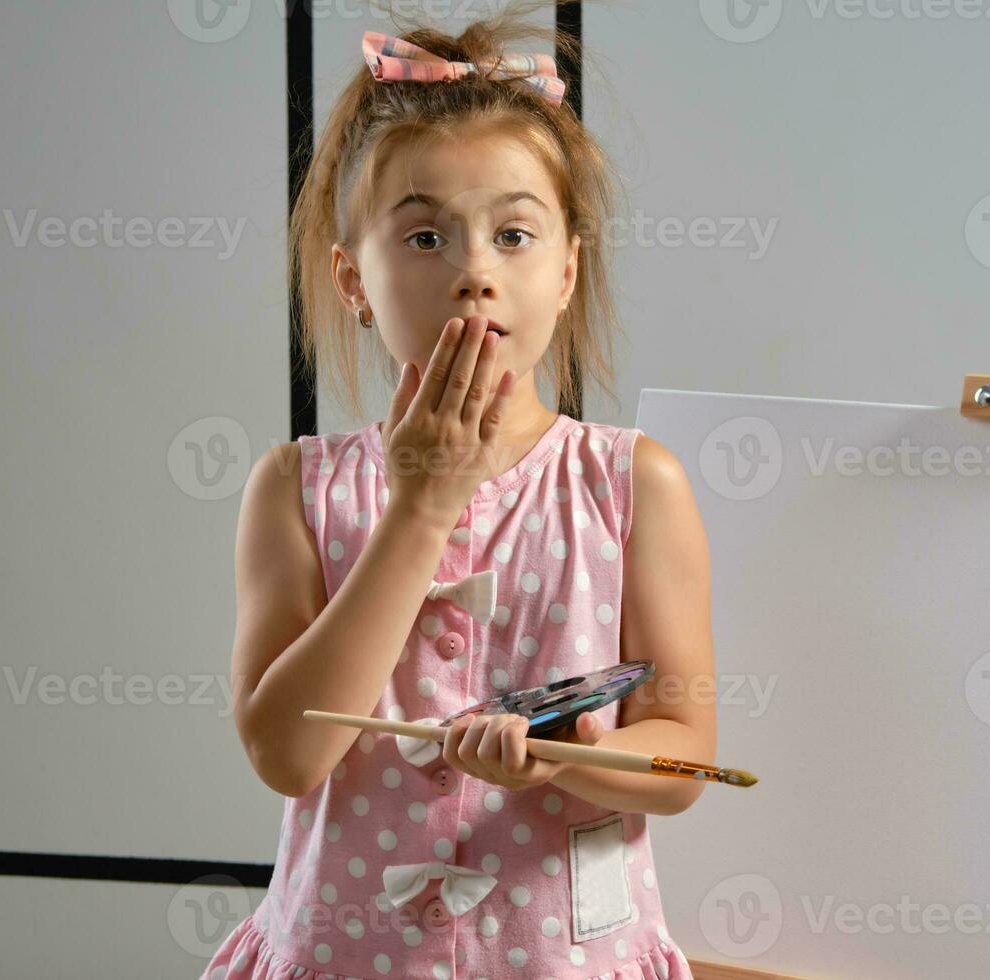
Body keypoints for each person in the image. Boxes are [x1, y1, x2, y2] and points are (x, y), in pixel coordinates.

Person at [204, 4, 716, 977]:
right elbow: (285, 753)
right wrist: (422, 504)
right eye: (427, 238)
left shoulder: (632, 482)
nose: (477, 272)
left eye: (515, 234)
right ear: (354, 281)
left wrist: (563, 755)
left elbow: (687, 756)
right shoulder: (292, 488)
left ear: (568, 268)